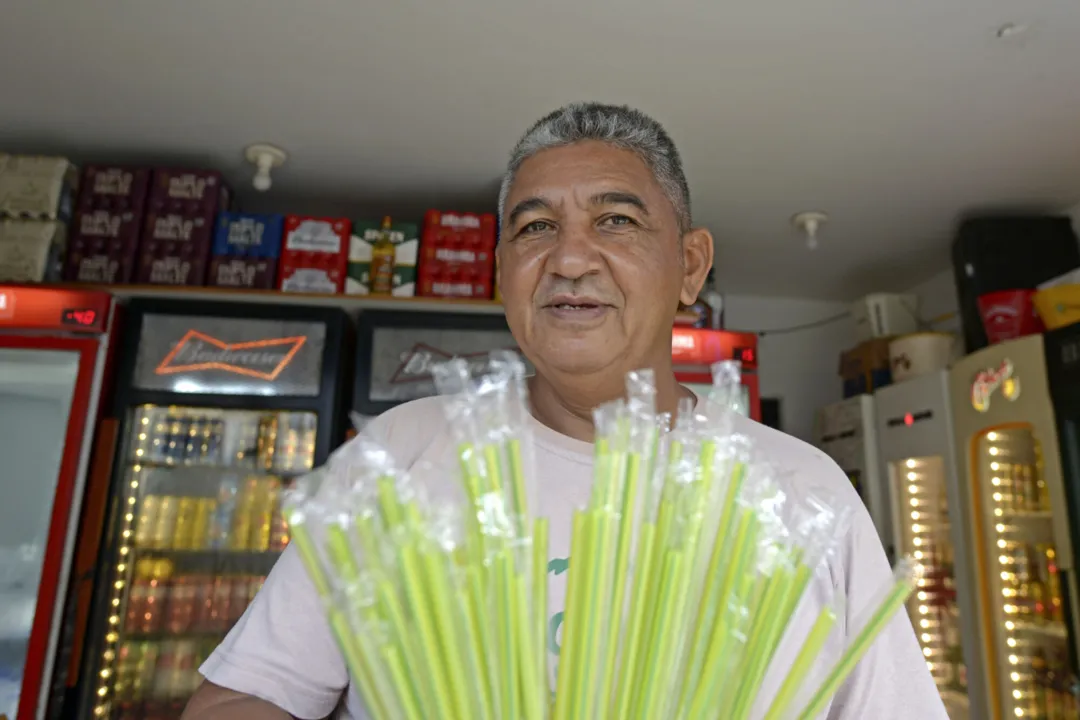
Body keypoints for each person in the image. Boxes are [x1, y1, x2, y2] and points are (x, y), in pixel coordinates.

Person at [183, 103, 946, 719]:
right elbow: (245, 695)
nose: (570, 258)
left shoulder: (804, 493)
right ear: (502, 273)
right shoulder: (400, 455)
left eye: (615, 220)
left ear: (689, 266)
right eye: (536, 226)